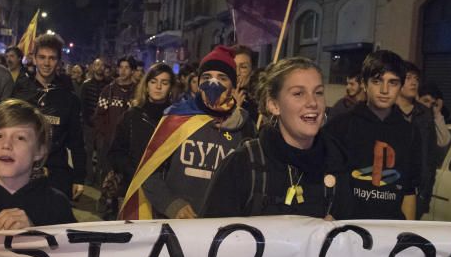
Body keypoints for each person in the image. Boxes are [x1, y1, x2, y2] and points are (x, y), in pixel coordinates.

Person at [202, 56, 348, 218]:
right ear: (274, 105)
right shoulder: (242, 164)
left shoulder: (337, 163)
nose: (312, 102)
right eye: (298, 93)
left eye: (318, 92)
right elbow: (211, 237)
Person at [120, 45, 255, 220]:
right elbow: (149, 173)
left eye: (222, 78)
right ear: (198, 82)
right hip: (175, 228)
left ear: (232, 84)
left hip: (221, 230)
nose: (213, 83)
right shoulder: (176, 119)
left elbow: (250, 182)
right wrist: (171, 205)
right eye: (206, 77)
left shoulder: (246, 127)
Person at [324, 50, 421, 220]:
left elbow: (409, 190)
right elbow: (327, 183)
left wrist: (407, 234)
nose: (385, 90)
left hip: (390, 231)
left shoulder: (410, 132)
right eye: (377, 81)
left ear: (401, 85)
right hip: (347, 228)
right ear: (364, 83)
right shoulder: (339, 127)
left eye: (393, 83)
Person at [0, 98, 75, 228]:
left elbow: (72, 247)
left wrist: (33, 235)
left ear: (39, 151)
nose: (6, 145)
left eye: (20, 138)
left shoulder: (57, 206)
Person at [12, 33, 86, 200]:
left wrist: (79, 177)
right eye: (42, 57)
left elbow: (76, 140)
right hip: (21, 168)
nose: (46, 63)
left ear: (59, 61)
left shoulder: (69, 98)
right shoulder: (19, 91)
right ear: (35, 59)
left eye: (52, 58)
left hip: (56, 172)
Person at [105, 62, 174, 219]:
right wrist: (133, 170)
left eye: (164, 83)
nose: (158, 87)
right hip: (133, 188)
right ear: (146, 85)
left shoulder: (175, 119)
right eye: (153, 81)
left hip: (165, 194)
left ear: (170, 87)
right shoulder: (131, 116)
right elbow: (114, 153)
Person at [396, 62, 438, 216]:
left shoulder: (425, 114)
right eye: (408, 78)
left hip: (416, 191)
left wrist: (425, 195)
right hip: (390, 188)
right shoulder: (388, 111)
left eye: (416, 79)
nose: (414, 83)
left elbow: (431, 157)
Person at [93, 55, 138, 179]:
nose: (123, 71)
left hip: (130, 145)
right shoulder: (108, 90)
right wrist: (106, 135)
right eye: (121, 67)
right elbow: (98, 116)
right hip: (110, 143)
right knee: (108, 177)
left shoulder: (138, 92)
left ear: (133, 71)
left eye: (127, 68)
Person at [79, 57, 108, 185]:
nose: (99, 67)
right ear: (92, 67)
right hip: (89, 124)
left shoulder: (109, 85)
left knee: (102, 152)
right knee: (88, 152)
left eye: (101, 65)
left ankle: (99, 177)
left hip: (103, 126)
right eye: (97, 65)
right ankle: (89, 177)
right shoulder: (86, 84)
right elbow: (83, 104)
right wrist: (87, 120)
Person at [231, 44, 259, 121]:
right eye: (233, 67)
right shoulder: (218, 98)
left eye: (243, 67)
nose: (237, 73)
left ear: (252, 70)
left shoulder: (258, 99)